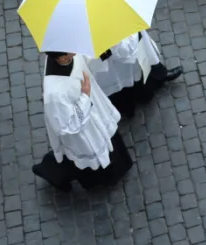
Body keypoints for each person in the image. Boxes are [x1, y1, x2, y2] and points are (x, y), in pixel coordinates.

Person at [32, 51, 133, 191]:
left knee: (109, 141)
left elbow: (87, 63)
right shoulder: (54, 93)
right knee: (80, 158)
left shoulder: (69, 54)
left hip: (96, 111)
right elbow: (67, 125)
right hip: (83, 130)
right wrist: (85, 97)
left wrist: (103, 54)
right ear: (62, 57)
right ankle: (50, 171)